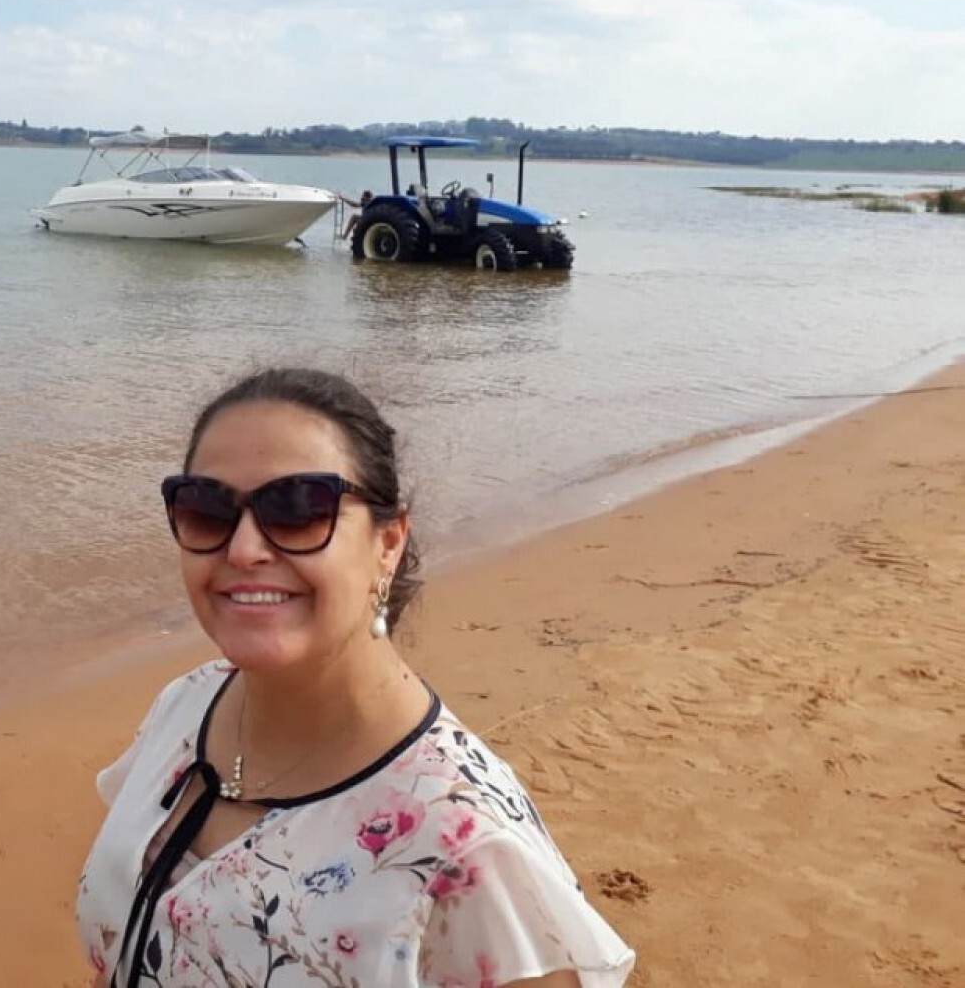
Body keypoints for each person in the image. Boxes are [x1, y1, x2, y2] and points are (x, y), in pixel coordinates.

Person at [77, 368, 635, 987]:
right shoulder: (186, 707)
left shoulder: (463, 846)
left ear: (388, 542)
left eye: (296, 509)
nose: (243, 550)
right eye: (207, 509)